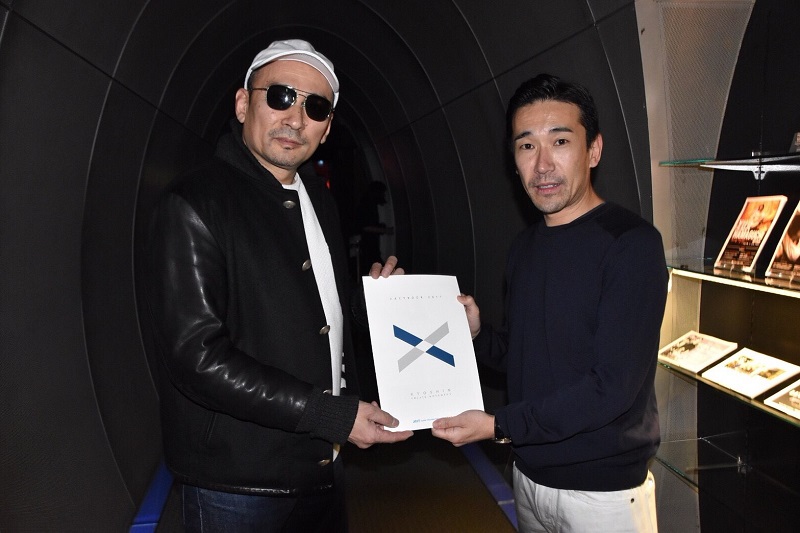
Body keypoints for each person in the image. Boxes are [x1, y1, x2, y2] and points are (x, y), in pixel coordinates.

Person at [139, 39, 412, 533]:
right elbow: (195, 358)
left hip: (320, 465)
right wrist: (330, 416)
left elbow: (313, 306)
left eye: (315, 107)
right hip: (236, 484)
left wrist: (374, 301)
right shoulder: (194, 203)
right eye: (281, 96)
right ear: (243, 104)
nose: (296, 118)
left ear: (327, 129)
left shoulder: (318, 201)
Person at [431, 74, 668, 532]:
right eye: (526, 146)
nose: (542, 165)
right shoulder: (524, 247)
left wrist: (499, 425)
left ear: (593, 150)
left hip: (602, 494)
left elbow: (611, 387)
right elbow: (524, 356)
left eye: (560, 141)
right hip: (528, 476)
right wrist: (476, 335)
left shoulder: (631, 245)